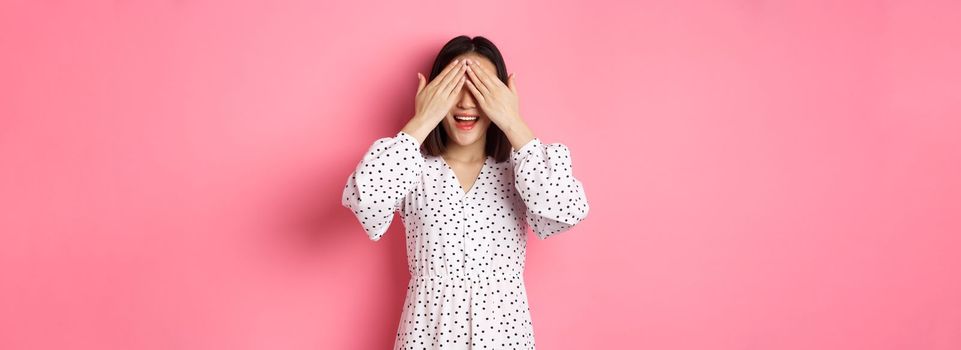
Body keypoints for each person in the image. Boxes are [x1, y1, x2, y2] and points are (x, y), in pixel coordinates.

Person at [341, 35, 590, 350]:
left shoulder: (523, 167)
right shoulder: (410, 165)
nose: (467, 103)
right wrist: (422, 120)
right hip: (426, 337)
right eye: (454, 87)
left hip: (504, 337)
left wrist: (514, 121)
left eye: (481, 89)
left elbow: (566, 210)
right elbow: (366, 202)